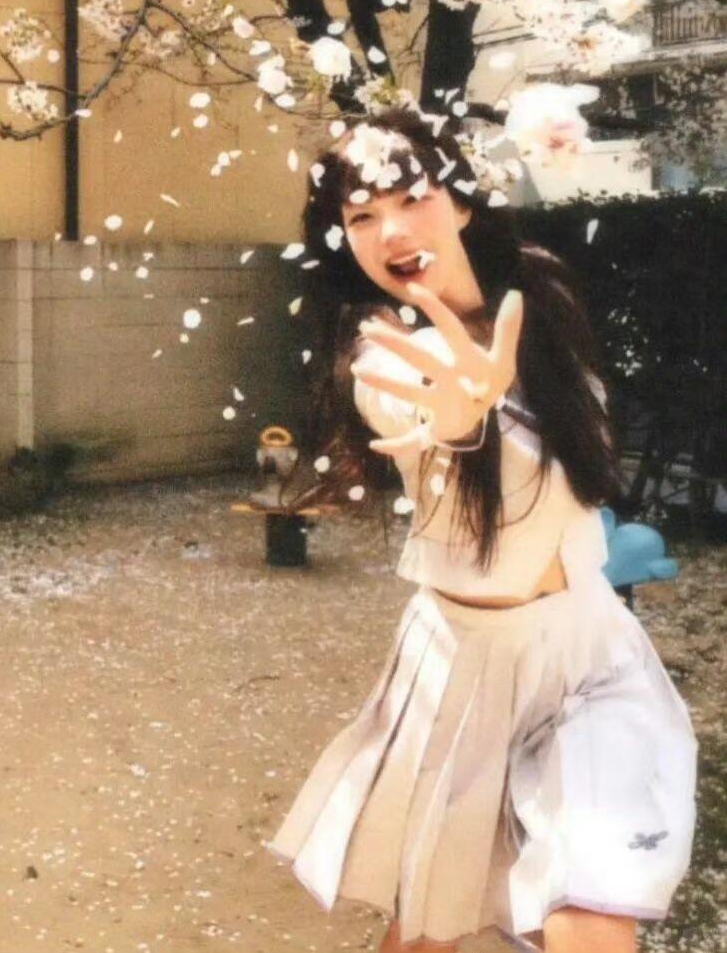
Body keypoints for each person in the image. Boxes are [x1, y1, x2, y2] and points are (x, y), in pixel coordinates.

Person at [266, 107, 698, 953]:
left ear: (460, 201)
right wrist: (465, 426)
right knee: (433, 920)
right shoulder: (385, 355)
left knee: (590, 912)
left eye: (411, 198)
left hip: (587, 655)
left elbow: (578, 466)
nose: (391, 230)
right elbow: (425, 416)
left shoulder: (542, 297)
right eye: (361, 216)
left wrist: (494, 407)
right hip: (464, 669)